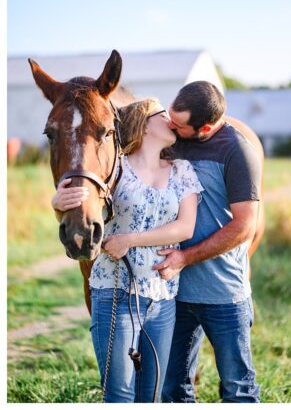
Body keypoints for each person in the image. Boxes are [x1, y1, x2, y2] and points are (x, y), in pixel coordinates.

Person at [52, 98, 203, 402]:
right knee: (119, 394)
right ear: (144, 124)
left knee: (152, 394)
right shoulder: (115, 171)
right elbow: (83, 204)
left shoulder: (181, 170)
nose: (171, 120)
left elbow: (185, 228)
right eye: (163, 115)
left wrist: (129, 240)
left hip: (162, 297)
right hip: (115, 292)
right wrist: (57, 205)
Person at [154, 81, 262, 403]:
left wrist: (185, 258)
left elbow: (244, 226)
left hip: (224, 296)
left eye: (178, 124)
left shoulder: (237, 151)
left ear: (204, 127)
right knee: (173, 389)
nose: (169, 126)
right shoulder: (174, 142)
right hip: (176, 295)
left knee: (238, 389)